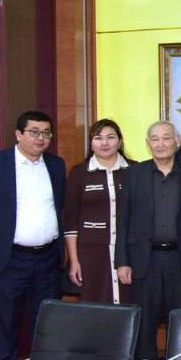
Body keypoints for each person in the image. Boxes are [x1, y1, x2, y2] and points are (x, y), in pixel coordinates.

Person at [0, 110, 66, 360]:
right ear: (18, 134)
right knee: (4, 321)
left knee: (47, 321)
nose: (40, 138)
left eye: (46, 133)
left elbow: (60, 206)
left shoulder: (56, 165)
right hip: (10, 258)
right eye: (34, 132)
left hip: (48, 258)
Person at [115, 122, 181, 360]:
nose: (160, 144)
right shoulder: (134, 174)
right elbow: (123, 220)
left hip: (180, 259)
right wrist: (122, 261)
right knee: (144, 323)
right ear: (147, 144)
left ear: (177, 142)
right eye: (154, 139)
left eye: (166, 138)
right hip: (144, 260)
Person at [62, 119, 129, 303]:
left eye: (110, 137)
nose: (104, 143)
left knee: (129, 302)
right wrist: (74, 260)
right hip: (90, 253)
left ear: (120, 141)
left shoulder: (134, 170)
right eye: (98, 138)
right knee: (95, 303)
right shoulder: (79, 173)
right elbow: (70, 219)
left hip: (128, 253)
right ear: (91, 143)